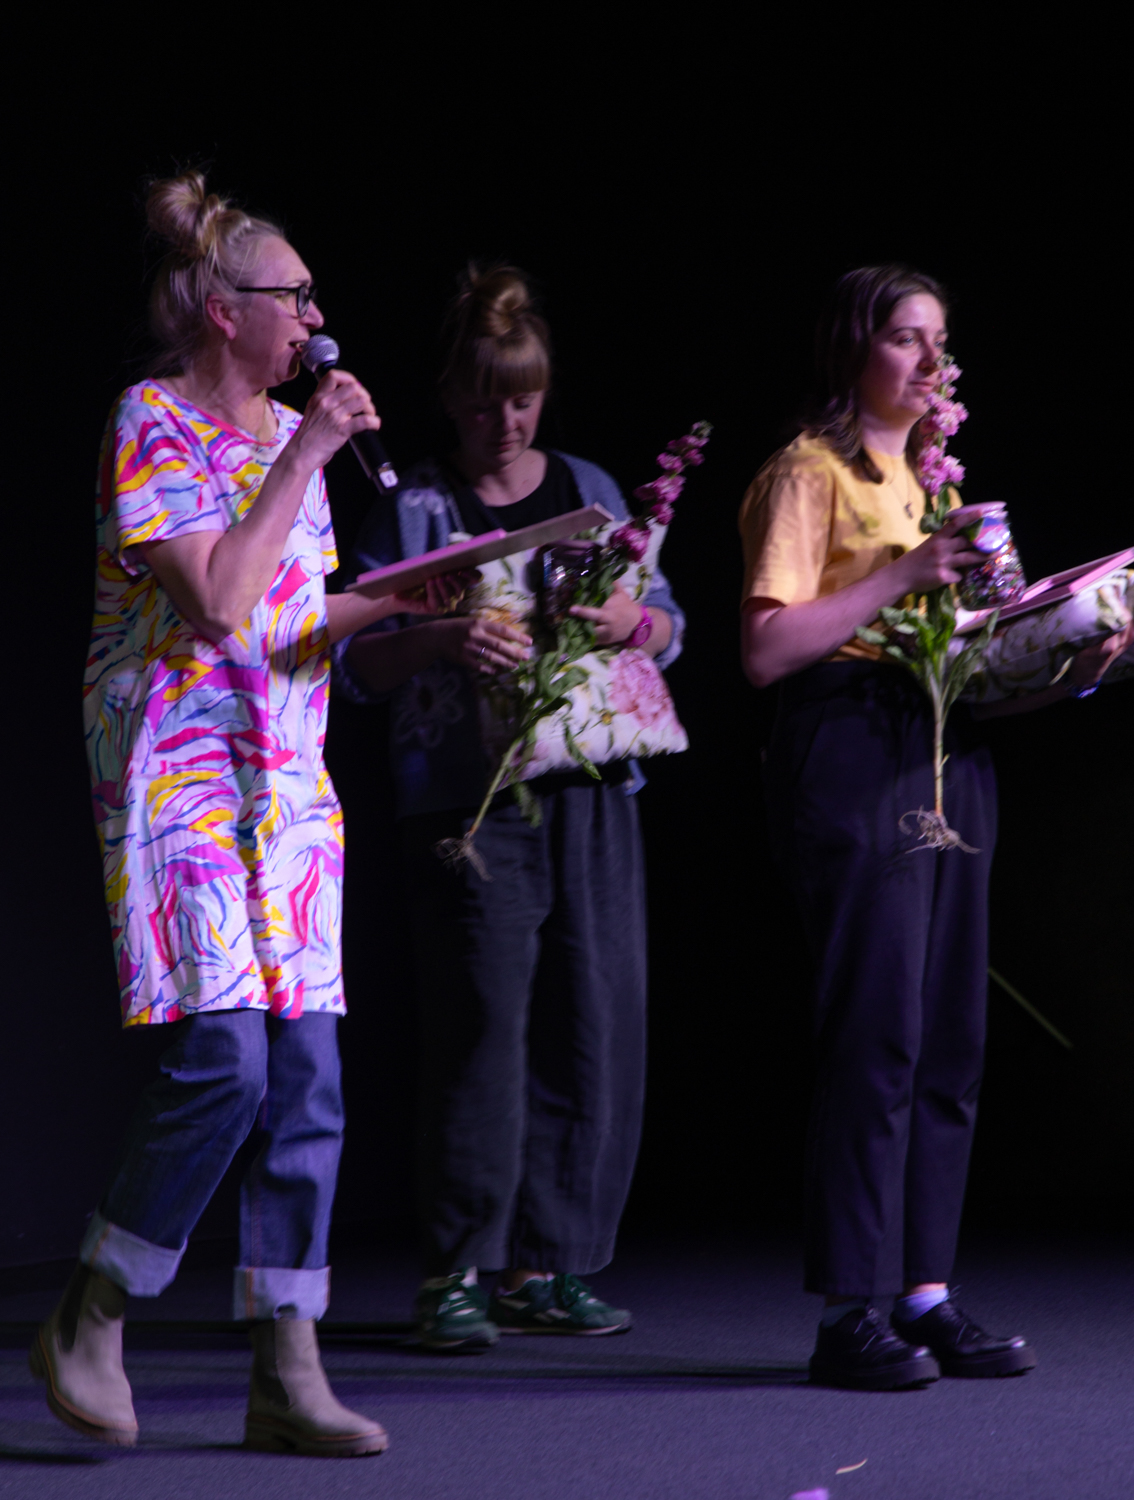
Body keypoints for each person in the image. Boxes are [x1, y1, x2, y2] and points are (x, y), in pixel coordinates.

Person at [33, 171, 432, 1456]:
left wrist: (418, 603)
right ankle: (94, 1309)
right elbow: (213, 601)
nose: (316, 317)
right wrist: (306, 453)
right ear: (224, 309)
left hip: (287, 786)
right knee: (226, 1062)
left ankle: (287, 1370)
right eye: (294, 296)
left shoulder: (287, 443)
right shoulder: (151, 419)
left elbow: (291, 615)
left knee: (308, 1077)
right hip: (181, 779)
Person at [739, 265, 1134, 1391]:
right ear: (852, 347)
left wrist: (1068, 670)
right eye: (905, 338)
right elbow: (764, 650)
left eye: (939, 341)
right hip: (851, 747)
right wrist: (908, 572)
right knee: (875, 1032)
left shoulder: (929, 485)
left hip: (944, 748)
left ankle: (924, 1292)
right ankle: (847, 1313)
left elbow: (967, 670)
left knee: (948, 1036)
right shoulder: (805, 472)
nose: (929, 360)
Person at [334, 265, 685, 1351]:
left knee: (594, 1020)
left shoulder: (589, 485)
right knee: (479, 1026)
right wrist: (441, 637)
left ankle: (550, 1263)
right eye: (487, 401)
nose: (508, 422)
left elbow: (668, 625)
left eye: (524, 398)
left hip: (589, 786)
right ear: (452, 396)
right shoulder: (416, 506)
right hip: (468, 802)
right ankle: (456, 1270)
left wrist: (632, 621)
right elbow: (352, 660)